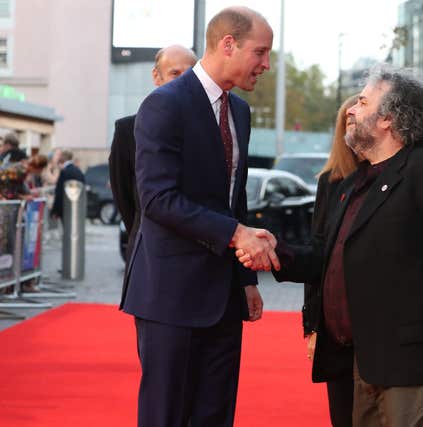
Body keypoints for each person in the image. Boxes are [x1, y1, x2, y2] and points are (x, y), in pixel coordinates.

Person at [244, 64, 423, 426]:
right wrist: (272, 250)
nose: (351, 109)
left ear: (387, 119)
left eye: (362, 101)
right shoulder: (354, 182)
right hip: (364, 362)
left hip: (417, 365)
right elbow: (325, 257)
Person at [121, 7, 279, 427]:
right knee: (166, 416)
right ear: (228, 44)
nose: (266, 64)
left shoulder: (240, 112)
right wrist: (235, 234)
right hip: (169, 295)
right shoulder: (163, 105)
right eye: (260, 52)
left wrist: (245, 280)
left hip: (224, 297)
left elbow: (234, 198)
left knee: (215, 415)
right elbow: (156, 199)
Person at [108, 44, 197, 263]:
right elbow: (124, 196)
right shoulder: (127, 130)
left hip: (197, 254)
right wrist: (141, 231)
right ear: (157, 77)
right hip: (147, 252)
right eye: (174, 73)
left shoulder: (209, 128)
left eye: (190, 75)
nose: (182, 82)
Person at [304, 95, 359, 427]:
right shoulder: (330, 182)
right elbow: (317, 255)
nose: (353, 128)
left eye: (358, 120)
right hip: (335, 323)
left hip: (376, 325)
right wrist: (311, 325)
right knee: (342, 412)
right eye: (347, 122)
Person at [50, 150, 84, 220]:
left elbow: (59, 192)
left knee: (66, 229)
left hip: (65, 207)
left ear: (63, 158)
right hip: (77, 206)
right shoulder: (78, 171)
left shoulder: (64, 172)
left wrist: (55, 211)